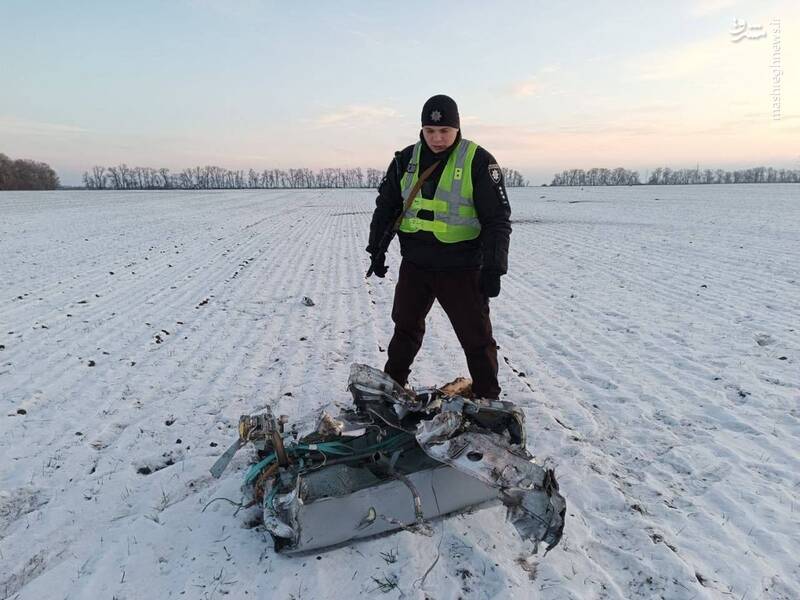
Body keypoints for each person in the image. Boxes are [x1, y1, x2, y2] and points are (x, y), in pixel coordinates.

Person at [366, 94, 511, 399]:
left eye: (444, 131)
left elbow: (497, 220)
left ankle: (488, 399)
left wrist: (494, 268)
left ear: (457, 128)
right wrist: (376, 250)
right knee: (405, 329)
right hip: (416, 265)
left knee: (477, 339)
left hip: (461, 267)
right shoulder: (405, 160)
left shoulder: (479, 161)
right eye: (430, 131)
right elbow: (387, 207)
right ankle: (392, 387)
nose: (437, 138)